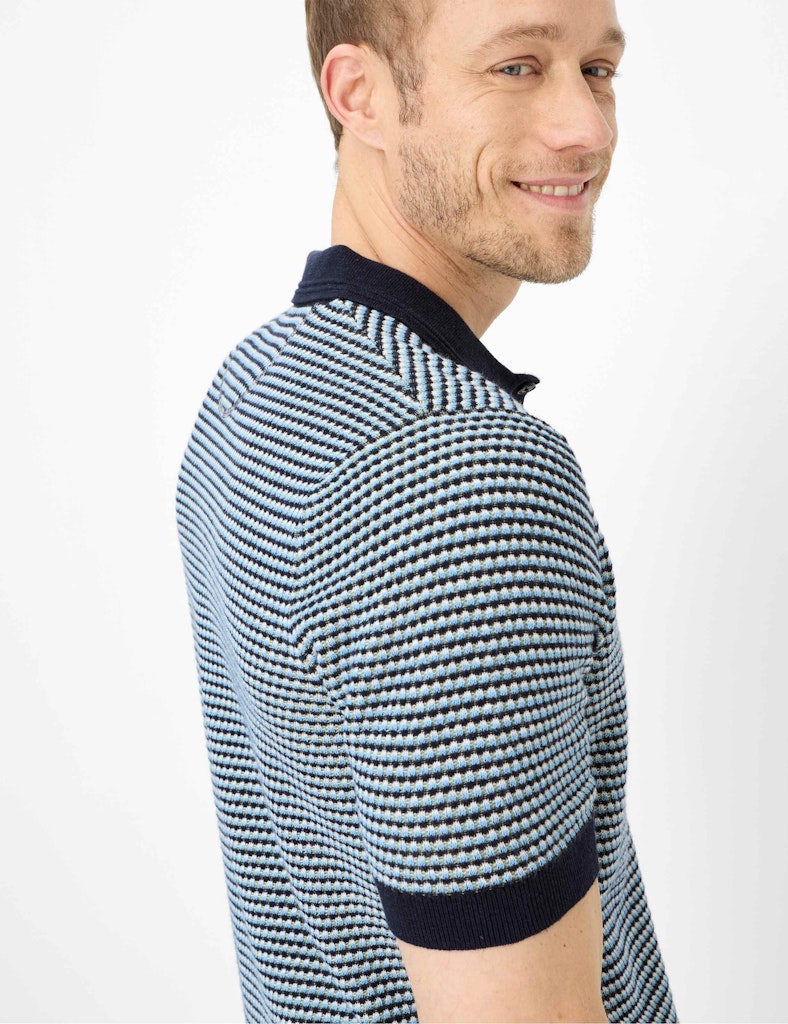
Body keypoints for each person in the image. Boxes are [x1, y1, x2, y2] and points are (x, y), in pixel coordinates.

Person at [176, 0, 679, 1020]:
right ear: (358, 94)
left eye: (597, 69)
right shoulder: (455, 473)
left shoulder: (255, 388)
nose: (586, 127)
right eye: (515, 67)